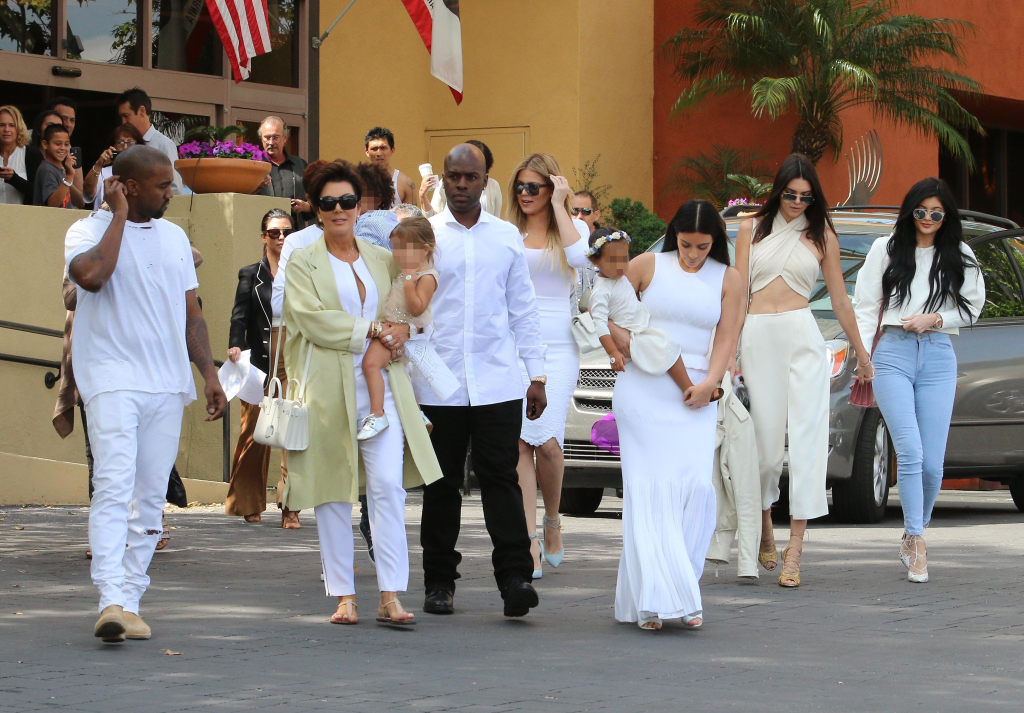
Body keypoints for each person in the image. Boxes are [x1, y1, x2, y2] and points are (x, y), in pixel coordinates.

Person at [65, 145, 226, 643]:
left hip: (166, 383)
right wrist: (117, 216)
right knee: (114, 485)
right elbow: (92, 277)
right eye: (162, 185)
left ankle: (130, 601)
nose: (172, 192)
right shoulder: (86, 231)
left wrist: (209, 374)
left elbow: (192, 313)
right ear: (129, 187)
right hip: (111, 378)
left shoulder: (174, 237)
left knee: (151, 496)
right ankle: (109, 598)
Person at [282, 159, 442, 625]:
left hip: (384, 384)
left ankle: (391, 594)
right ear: (315, 208)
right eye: (328, 202)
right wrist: (372, 329)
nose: (339, 209)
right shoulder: (303, 260)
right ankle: (344, 596)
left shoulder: (382, 256)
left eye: (347, 200)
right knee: (333, 492)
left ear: (360, 206)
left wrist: (407, 332)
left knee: (388, 487)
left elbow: (411, 304)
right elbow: (311, 319)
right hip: (326, 387)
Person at [416, 143, 546, 618]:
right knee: (441, 484)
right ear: (444, 178)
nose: (461, 185)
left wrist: (537, 374)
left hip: (496, 380)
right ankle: (439, 583)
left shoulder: (506, 237)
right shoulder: (425, 235)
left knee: (501, 479)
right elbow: (407, 306)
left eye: (471, 177)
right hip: (438, 381)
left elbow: (523, 308)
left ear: (486, 180)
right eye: (454, 176)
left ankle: (515, 579)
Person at [735, 154, 873, 588]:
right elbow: (736, 295)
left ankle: (795, 548)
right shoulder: (750, 229)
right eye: (791, 194)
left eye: (806, 197)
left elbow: (841, 300)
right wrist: (730, 350)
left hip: (803, 336)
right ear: (778, 192)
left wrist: (862, 354)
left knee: (809, 442)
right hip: (758, 336)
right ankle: (764, 524)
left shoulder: (822, 234)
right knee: (765, 447)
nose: (797, 202)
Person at [610, 199, 743, 630]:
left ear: (715, 242)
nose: (693, 254)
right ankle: (656, 600)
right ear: (675, 236)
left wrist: (712, 384)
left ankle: (677, 590)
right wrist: (621, 345)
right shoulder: (648, 265)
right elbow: (603, 304)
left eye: (702, 247)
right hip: (643, 390)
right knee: (649, 491)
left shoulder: (728, 278)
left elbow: (726, 338)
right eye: (686, 245)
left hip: (697, 392)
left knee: (692, 489)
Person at [853, 178, 985, 584]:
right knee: (909, 451)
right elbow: (865, 306)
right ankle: (916, 539)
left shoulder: (959, 253)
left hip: (938, 354)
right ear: (910, 211)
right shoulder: (886, 248)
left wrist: (936, 318)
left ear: (947, 217)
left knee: (932, 465)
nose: (928, 219)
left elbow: (974, 306)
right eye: (921, 211)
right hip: (892, 353)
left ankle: (915, 530)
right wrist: (863, 356)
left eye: (936, 213)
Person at [506, 152, 589, 577]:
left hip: (558, 345)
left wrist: (559, 204)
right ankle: (529, 540)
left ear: (551, 187)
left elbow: (580, 259)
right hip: (514, 343)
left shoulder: (573, 229)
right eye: (520, 186)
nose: (525, 194)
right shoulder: (506, 232)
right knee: (521, 443)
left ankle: (553, 519)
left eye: (534, 187)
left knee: (549, 443)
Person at [587, 228, 722, 400]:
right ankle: (689, 389)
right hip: (633, 335)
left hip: (641, 327)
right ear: (595, 260)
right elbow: (599, 323)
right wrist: (613, 352)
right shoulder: (601, 291)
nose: (620, 265)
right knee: (669, 351)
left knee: (667, 349)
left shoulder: (618, 278)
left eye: (624, 259)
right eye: (613, 261)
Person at [224, 208, 294, 522]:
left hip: (294, 355)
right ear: (264, 236)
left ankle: (291, 505)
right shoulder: (250, 274)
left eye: (287, 232)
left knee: (292, 428)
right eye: (274, 232)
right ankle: (248, 502)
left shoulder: (303, 272)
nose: (281, 237)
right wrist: (236, 345)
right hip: (259, 358)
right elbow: (239, 316)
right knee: (253, 430)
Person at [357, 217, 438, 440]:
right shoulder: (405, 271)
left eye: (403, 249)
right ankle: (418, 414)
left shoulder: (427, 277)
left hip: (403, 333)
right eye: (394, 248)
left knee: (370, 364)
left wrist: (410, 284)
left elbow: (418, 308)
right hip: (391, 326)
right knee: (401, 375)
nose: (396, 254)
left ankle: (377, 414)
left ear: (423, 250)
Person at [116, 87, 182, 194]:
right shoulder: (124, 144)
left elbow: (175, 189)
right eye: (121, 117)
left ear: (142, 111)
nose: (123, 122)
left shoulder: (164, 144)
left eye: (126, 116)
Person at [420, 139, 503, 218]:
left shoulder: (493, 186)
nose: (462, 185)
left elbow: (496, 219)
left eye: (471, 177)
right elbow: (432, 218)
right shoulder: (446, 183)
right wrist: (422, 196)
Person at [256, 116, 312, 229]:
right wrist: (256, 187)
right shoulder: (254, 165)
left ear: (285, 138)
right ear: (262, 139)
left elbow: (315, 200)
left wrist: (306, 207)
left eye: (275, 137)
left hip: (295, 232)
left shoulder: (300, 165)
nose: (271, 142)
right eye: (267, 137)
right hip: (264, 233)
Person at [84, 124, 145, 208]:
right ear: (113, 147)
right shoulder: (102, 172)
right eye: (120, 143)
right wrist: (99, 164)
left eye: (131, 143)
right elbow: (88, 194)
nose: (125, 147)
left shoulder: (144, 174)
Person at [33, 123, 84, 208]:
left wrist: (69, 176)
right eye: (57, 144)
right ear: (45, 144)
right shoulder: (47, 169)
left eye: (66, 144)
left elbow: (80, 203)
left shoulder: (60, 169)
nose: (63, 148)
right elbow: (53, 204)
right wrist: (68, 177)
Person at [365, 126, 415, 205]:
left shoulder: (405, 183)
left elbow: (412, 212)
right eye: (374, 149)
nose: (379, 153)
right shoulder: (358, 180)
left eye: (383, 148)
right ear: (367, 152)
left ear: (392, 150)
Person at [354, 161, 399, 249]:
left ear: (377, 200)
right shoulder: (390, 220)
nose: (353, 199)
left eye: (358, 195)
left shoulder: (370, 224)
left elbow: (358, 253)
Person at [49, 97, 85, 203]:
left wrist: (66, 178)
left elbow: (81, 202)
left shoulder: (73, 152)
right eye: (63, 118)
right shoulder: (27, 141)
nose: (68, 124)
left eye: (72, 120)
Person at [0, 105, 31, 204]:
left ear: (18, 128)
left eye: (12, 125)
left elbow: (39, 192)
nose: (6, 129)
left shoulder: (30, 154)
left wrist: (13, 179)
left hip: (22, 213)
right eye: (2, 125)